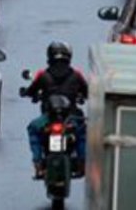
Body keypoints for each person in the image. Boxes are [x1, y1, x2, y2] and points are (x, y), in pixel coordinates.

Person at [21, 41, 89, 179]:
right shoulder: (76, 75)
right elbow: (88, 92)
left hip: (48, 119)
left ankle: (38, 165)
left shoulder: (42, 75)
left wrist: (27, 93)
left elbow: (30, 91)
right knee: (82, 133)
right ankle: (82, 164)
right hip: (71, 119)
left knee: (33, 129)